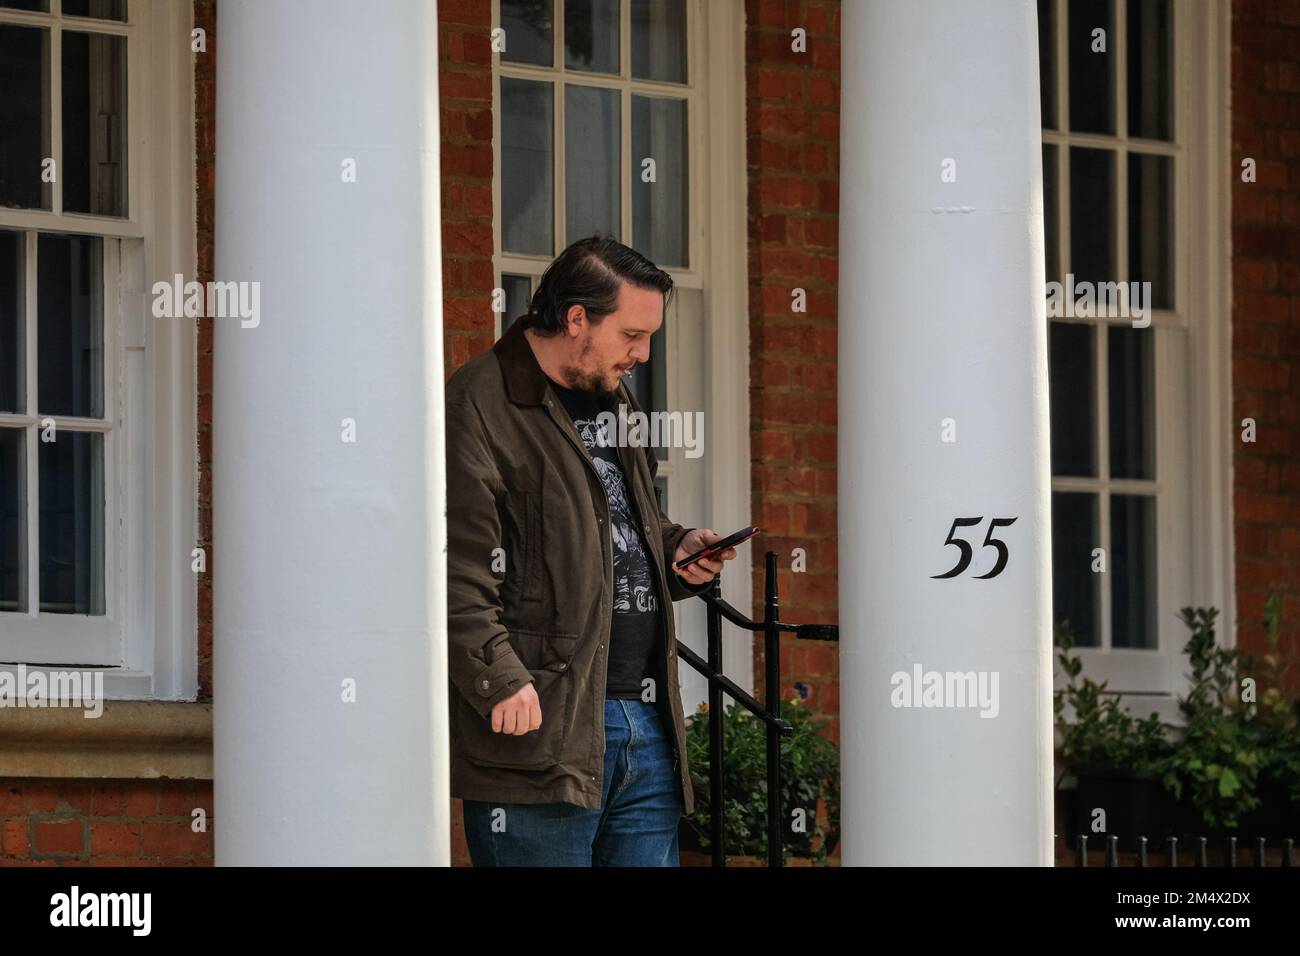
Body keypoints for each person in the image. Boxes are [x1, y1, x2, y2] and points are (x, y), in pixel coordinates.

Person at [445, 234, 738, 866]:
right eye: (632, 334)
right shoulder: (480, 403)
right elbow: (454, 566)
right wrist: (497, 678)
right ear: (577, 319)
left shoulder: (614, 399)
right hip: (541, 727)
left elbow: (626, 526)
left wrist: (676, 547)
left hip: (646, 720)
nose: (643, 353)